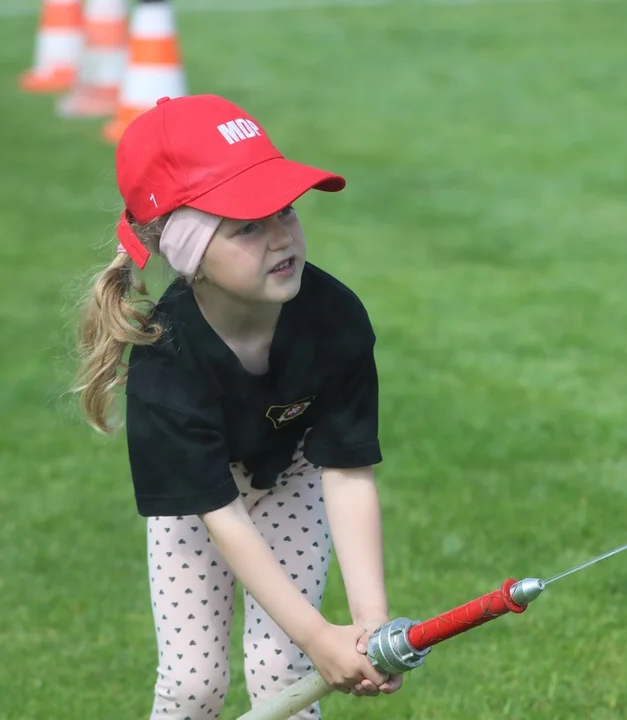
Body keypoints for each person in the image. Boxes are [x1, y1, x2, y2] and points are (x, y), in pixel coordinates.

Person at [72, 93, 403, 719]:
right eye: (247, 226)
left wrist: (369, 627)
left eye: (285, 211)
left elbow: (346, 470)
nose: (281, 235)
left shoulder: (335, 318)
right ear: (190, 253)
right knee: (193, 684)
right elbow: (219, 514)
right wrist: (317, 635)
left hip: (293, 477)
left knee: (284, 672)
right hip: (202, 504)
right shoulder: (164, 362)